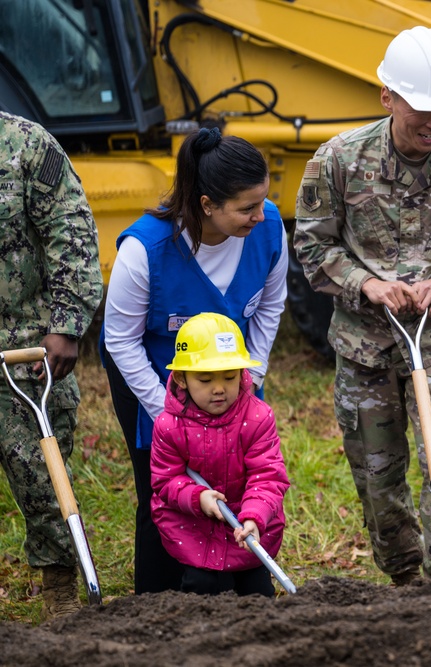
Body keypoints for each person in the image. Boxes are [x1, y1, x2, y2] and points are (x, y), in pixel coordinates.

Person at [293, 26, 431, 585]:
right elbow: (312, 245)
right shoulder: (338, 160)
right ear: (387, 96)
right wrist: (365, 284)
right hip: (365, 344)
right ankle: (405, 579)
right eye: (421, 109)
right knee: (376, 469)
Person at [102, 127, 287, 593]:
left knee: (241, 488)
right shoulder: (144, 251)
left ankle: (240, 591)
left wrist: (254, 373)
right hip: (153, 382)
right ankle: (160, 601)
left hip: (230, 377)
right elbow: (119, 340)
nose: (260, 216)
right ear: (207, 205)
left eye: (262, 202)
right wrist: (169, 413)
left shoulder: (268, 232)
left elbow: (269, 306)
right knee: (163, 493)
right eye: (247, 207)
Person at [0, 111, 102, 618]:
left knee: (43, 478)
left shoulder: (24, 145)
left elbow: (70, 227)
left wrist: (66, 322)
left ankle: (60, 593)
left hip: (24, 347)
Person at [150, 313, 289, 597]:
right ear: (182, 378)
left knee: (257, 593)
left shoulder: (258, 417)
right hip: (195, 530)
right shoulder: (169, 425)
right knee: (205, 589)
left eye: (229, 376)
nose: (219, 388)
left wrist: (254, 517)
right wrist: (196, 497)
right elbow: (165, 481)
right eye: (205, 379)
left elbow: (268, 475)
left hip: (247, 529)